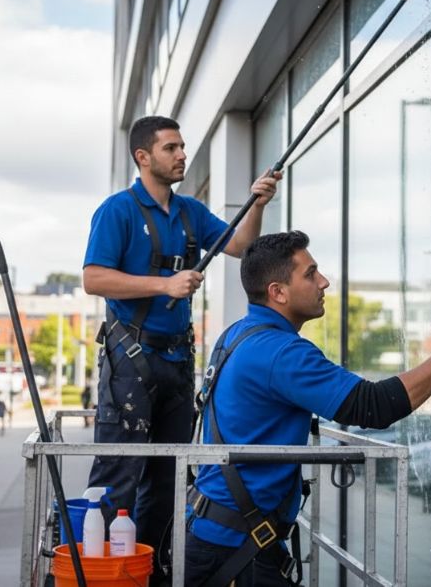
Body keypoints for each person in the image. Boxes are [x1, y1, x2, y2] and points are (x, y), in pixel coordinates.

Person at [184, 231, 431, 586]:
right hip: (235, 547)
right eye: (310, 274)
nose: (324, 282)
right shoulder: (279, 352)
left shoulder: (238, 334)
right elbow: (373, 406)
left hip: (219, 532)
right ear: (278, 292)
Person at [83, 115, 281, 577]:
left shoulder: (190, 212)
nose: (181, 156)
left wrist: (257, 203)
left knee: (168, 476)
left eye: (182, 147)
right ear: (143, 157)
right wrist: (164, 285)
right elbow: (93, 278)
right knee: (119, 474)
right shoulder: (118, 211)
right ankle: (109, 577)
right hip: (130, 360)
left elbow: (242, 244)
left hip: (175, 360)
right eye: (171, 148)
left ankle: (150, 571)